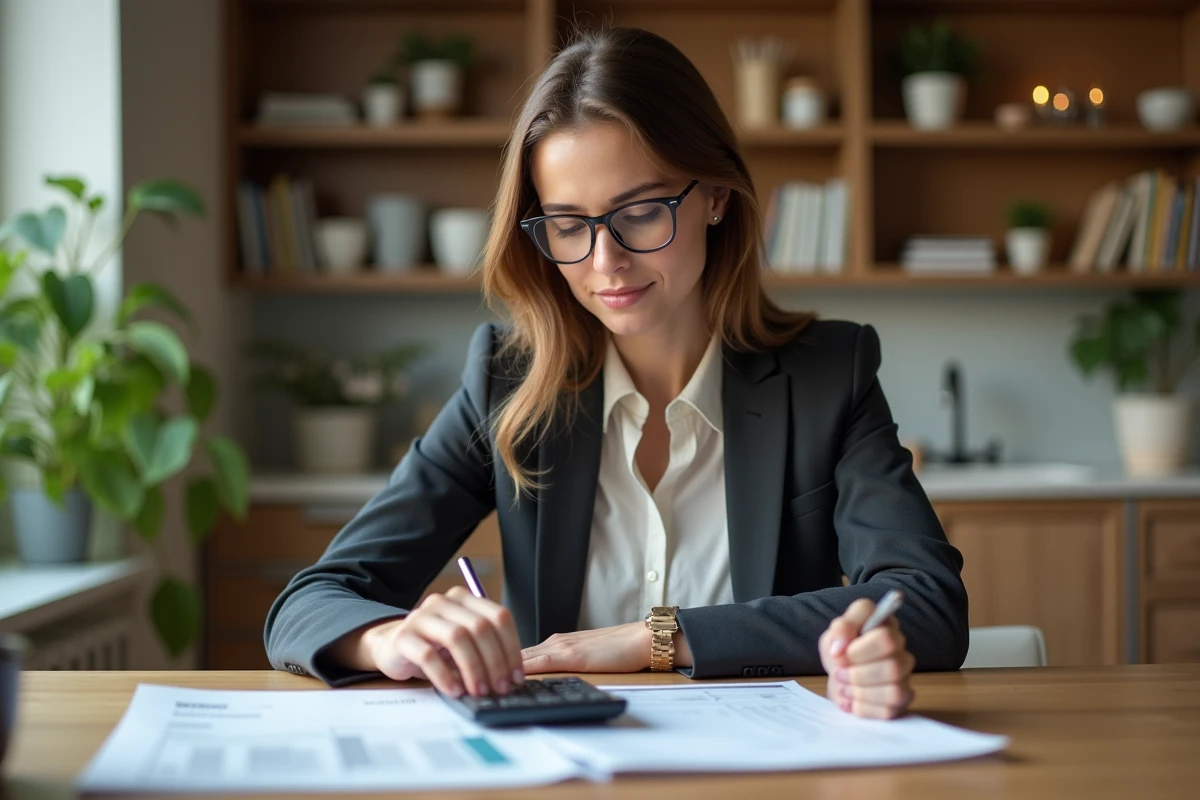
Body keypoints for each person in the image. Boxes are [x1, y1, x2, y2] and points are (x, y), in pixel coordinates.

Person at [264, 26, 968, 720]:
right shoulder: (508, 384)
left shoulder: (826, 377)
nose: (605, 263)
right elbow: (307, 605)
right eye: (568, 224)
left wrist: (654, 639)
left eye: (638, 212)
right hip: (563, 765)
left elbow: (928, 603)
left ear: (716, 196)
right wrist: (391, 638)